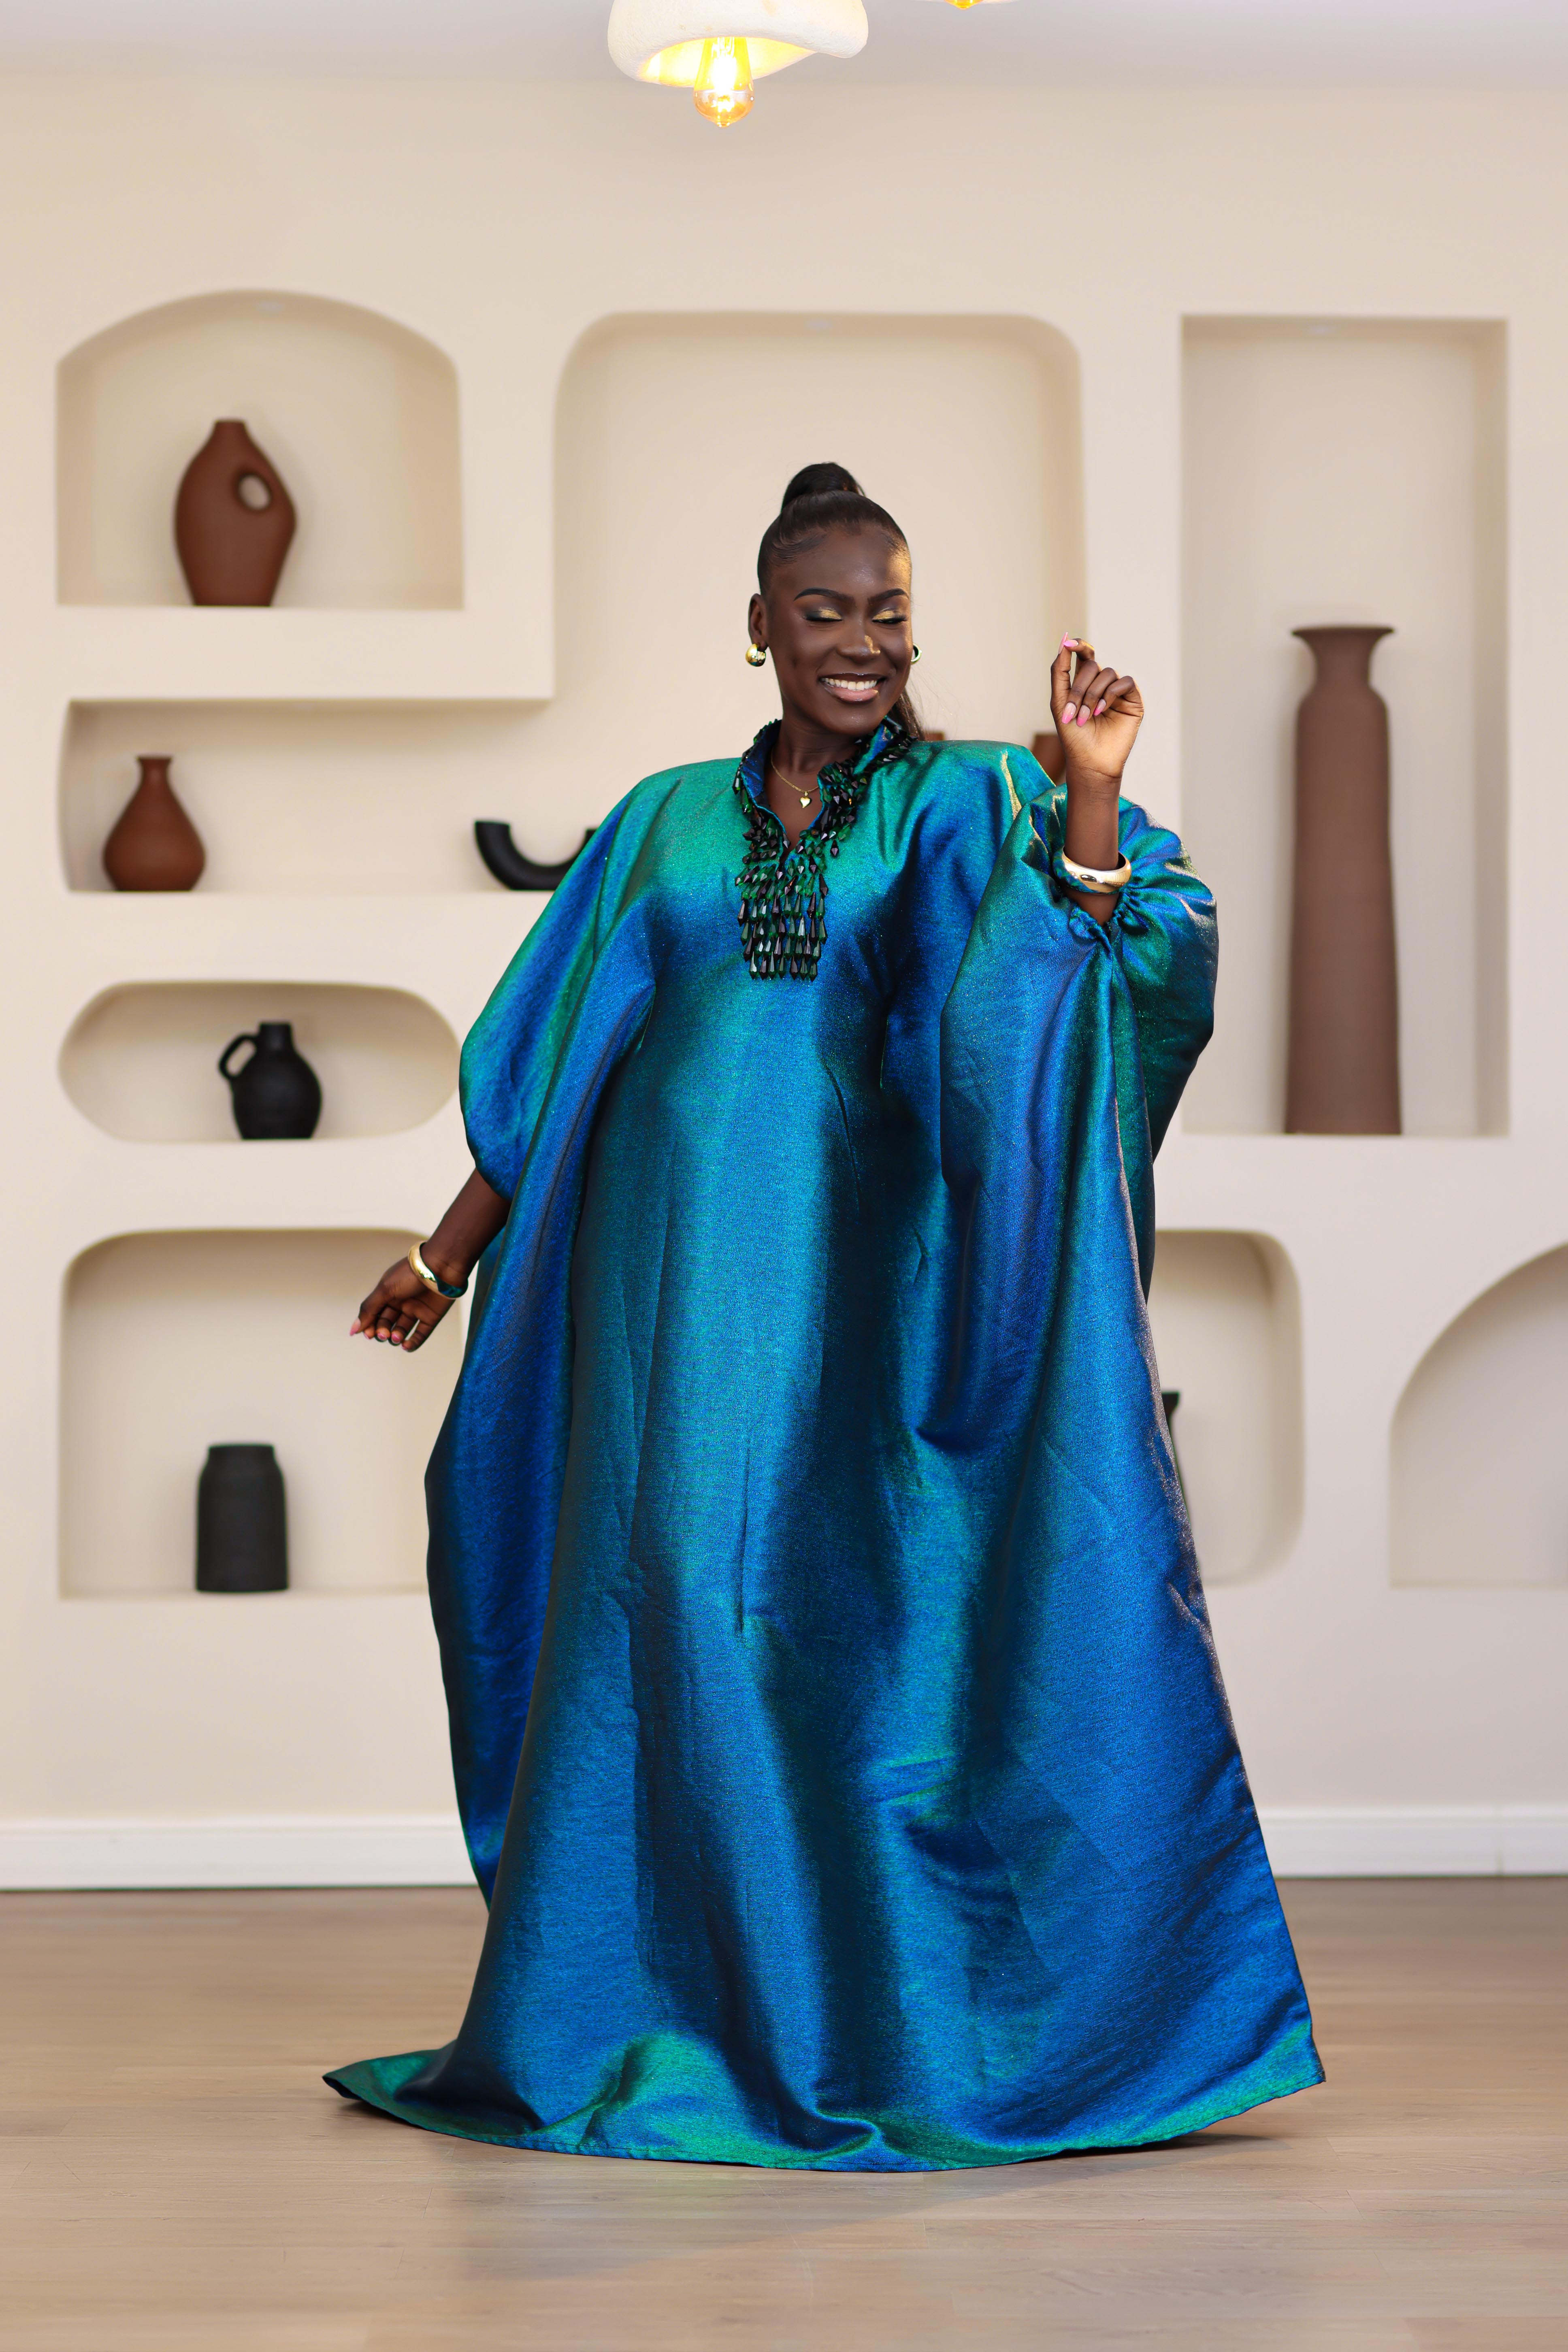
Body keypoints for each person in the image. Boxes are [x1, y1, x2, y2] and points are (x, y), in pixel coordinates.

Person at [327, 463, 1321, 2169]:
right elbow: (559, 1065)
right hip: (658, 1292)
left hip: (864, 1293)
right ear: (759, 630)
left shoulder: (957, 802)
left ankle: (850, 2028)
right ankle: (640, 2021)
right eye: (825, 612)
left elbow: (1096, 959)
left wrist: (1084, 799)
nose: (862, 642)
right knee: (651, 1607)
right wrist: (445, 1254)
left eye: (887, 612)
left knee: (816, 1631)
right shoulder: (661, 821)